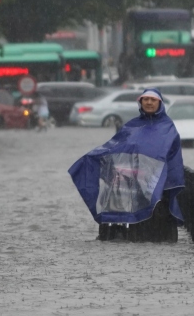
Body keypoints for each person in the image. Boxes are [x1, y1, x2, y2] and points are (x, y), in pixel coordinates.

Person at [68, 87, 185, 242]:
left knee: (155, 217)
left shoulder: (167, 127)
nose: (149, 102)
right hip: (130, 185)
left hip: (157, 186)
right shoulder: (132, 126)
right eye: (146, 99)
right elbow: (115, 146)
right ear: (140, 102)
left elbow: (172, 156)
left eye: (153, 100)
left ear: (160, 103)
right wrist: (94, 157)